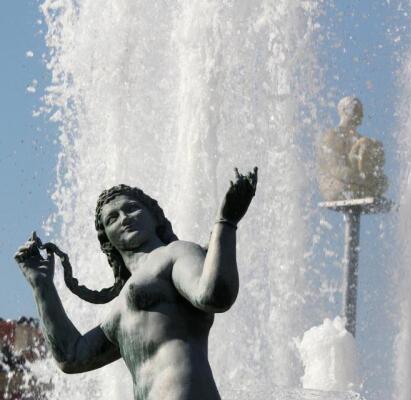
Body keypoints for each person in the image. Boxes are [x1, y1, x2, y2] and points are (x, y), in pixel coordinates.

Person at [13, 167, 258, 400]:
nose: (124, 218)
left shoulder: (175, 253)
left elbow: (214, 295)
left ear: (154, 218)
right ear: (107, 239)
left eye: (131, 208)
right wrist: (42, 285)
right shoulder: (118, 310)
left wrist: (225, 223)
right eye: (111, 219)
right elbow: (71, 357)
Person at [317, 96, 387, 201]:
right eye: (357, 110)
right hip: (336, 184)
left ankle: (361, 188)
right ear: (345, 111)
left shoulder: (359, 139)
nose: (362, 115)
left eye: (361, 111)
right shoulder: (332, 136)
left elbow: (364, 166)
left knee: (383, 182)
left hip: (355, 182)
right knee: (344, 189)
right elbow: (335, 169)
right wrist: (362, 180)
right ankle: (362, 189)